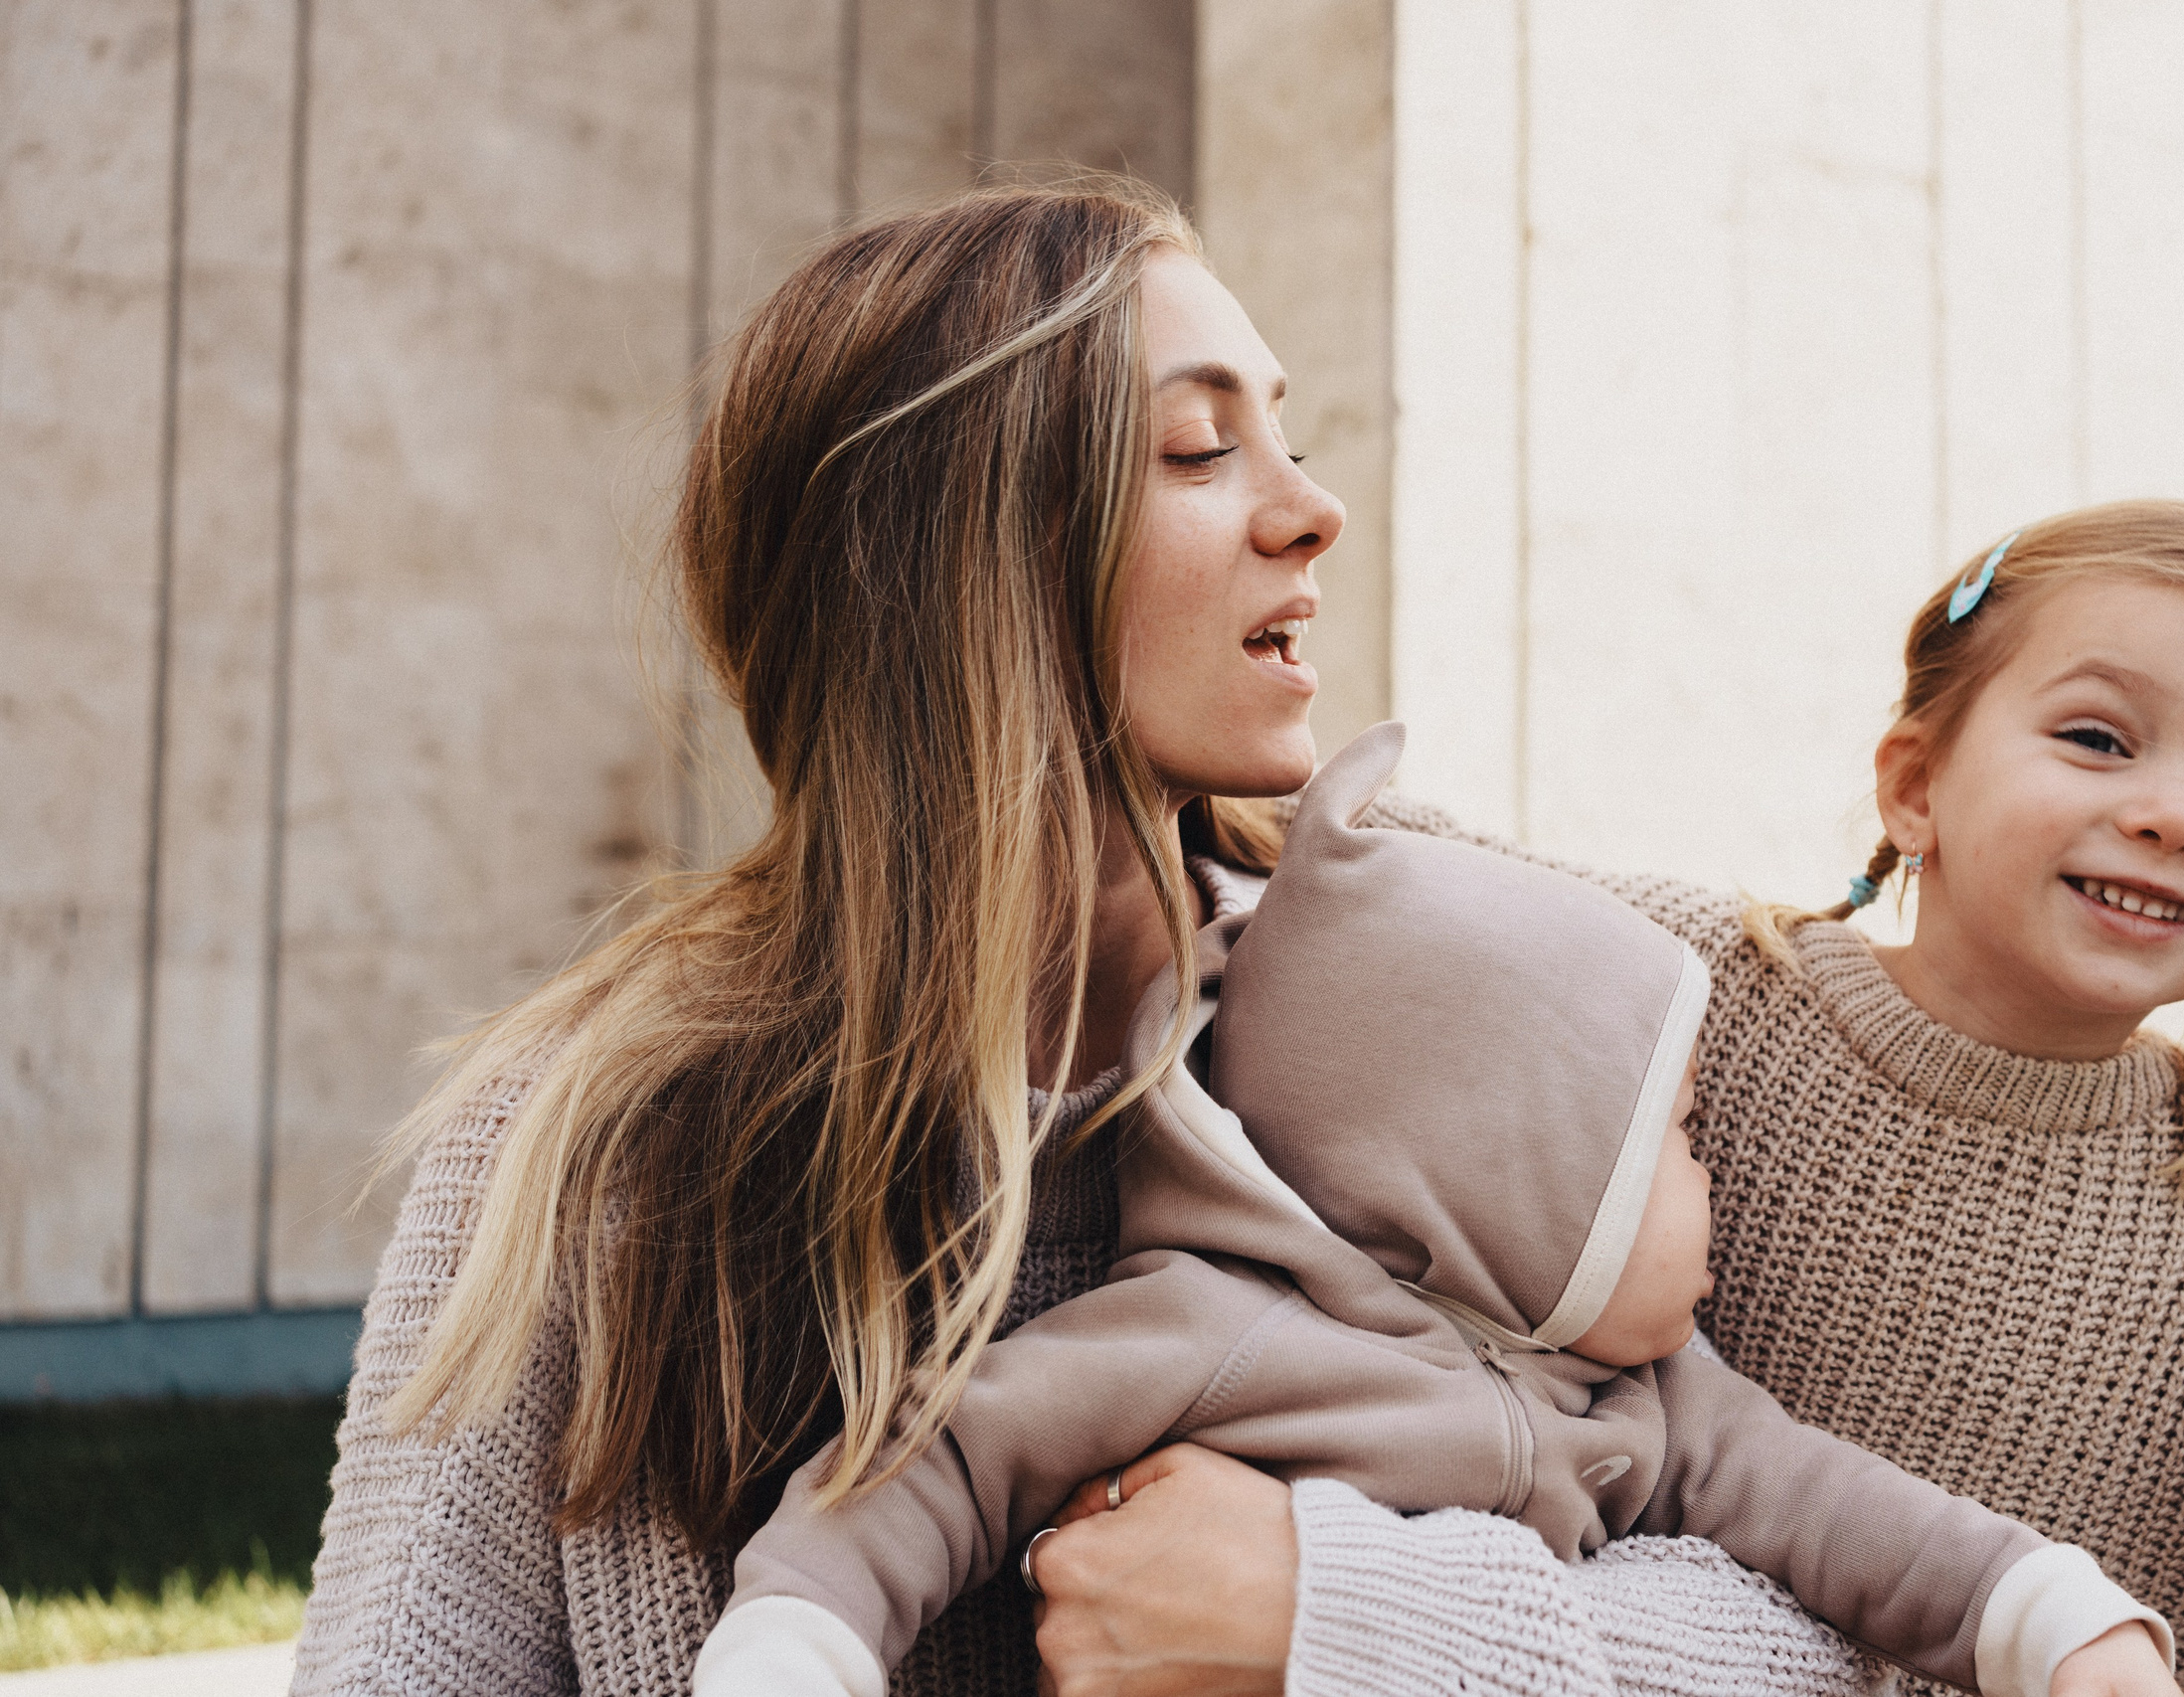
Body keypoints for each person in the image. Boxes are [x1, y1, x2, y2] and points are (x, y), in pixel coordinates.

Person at [290, 181, 1911, 1697]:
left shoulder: (1426, 984)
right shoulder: (588, 1141)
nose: (1314, 509)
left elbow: (1822, 1615)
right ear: (961, 563)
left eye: (1286, 437)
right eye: (1201, 451)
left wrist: (1348, 1621)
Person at [1331, 500, 2184, 1694]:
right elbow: (1424, 877)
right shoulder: (1704, 992)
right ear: (1915, 787)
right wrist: (1251, 787)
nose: (2177, 818)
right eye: (2099, 739)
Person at [694, 720, 2177, 1697]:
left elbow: (1857, 1520)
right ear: (1518, 1176)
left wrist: (2055, 1621)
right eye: (1675, 1140)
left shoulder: (1656, 1401)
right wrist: (797, 1644)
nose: (1714, 1181)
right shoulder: (1207, 1331)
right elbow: (935, 1462)